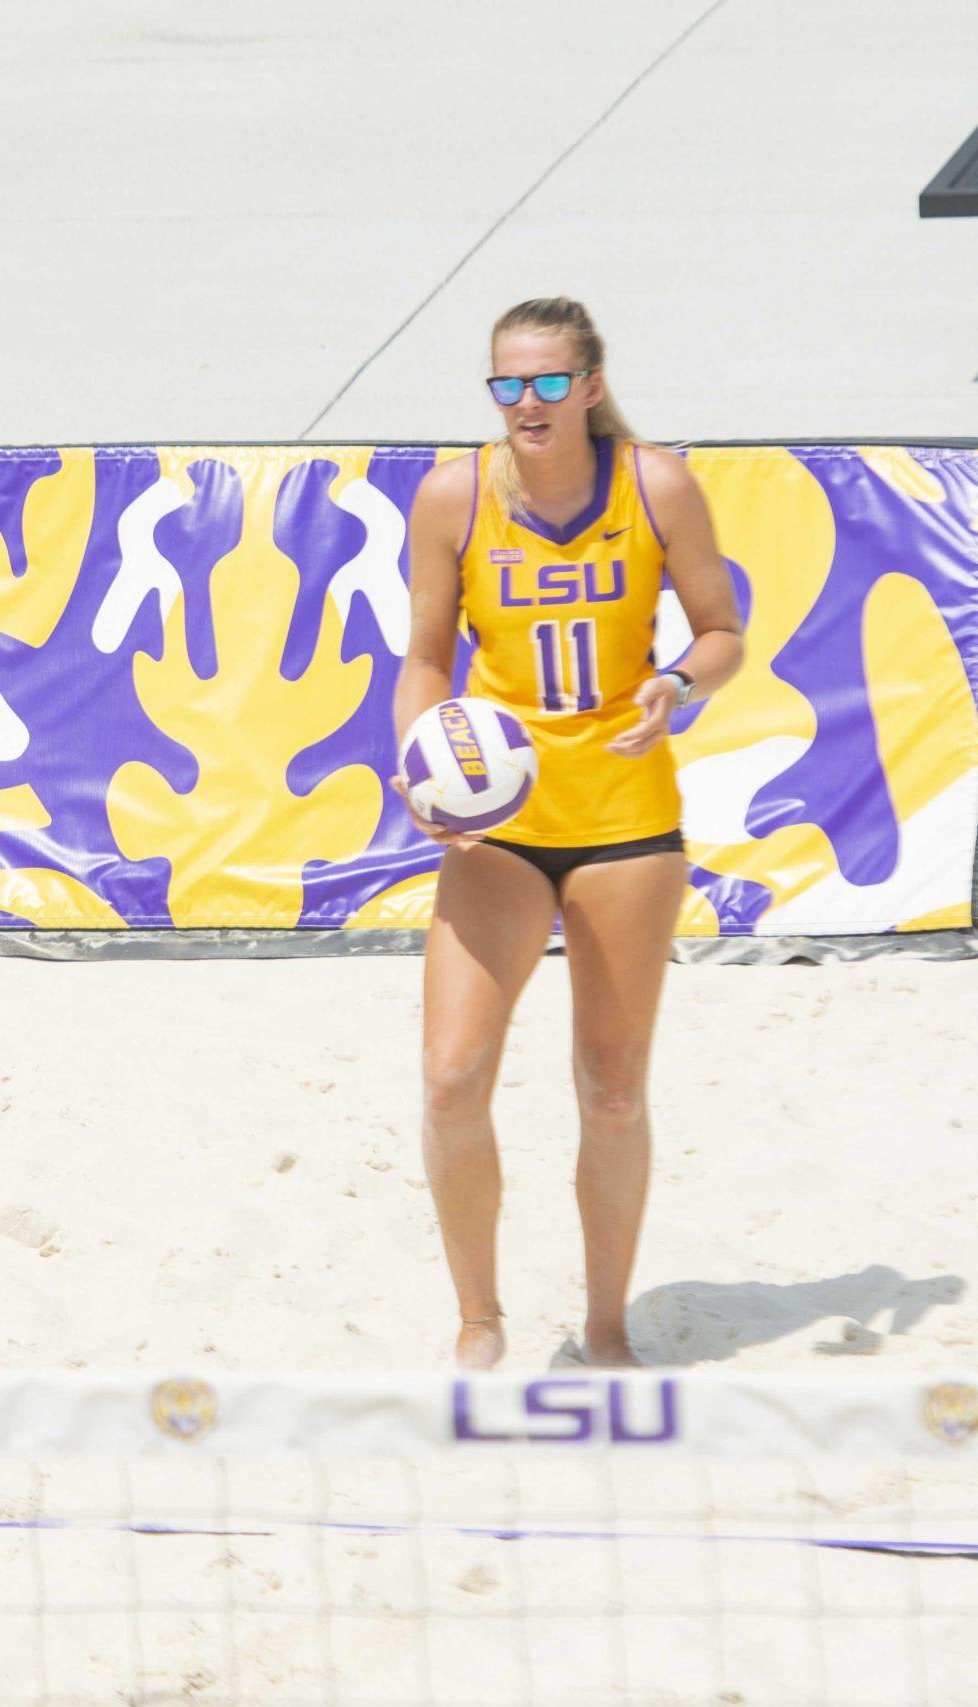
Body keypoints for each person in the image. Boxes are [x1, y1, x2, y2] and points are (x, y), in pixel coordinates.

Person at [395, 299, 744, 1371]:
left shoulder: (655, 485)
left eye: (548, 382)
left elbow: (722, 630)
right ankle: (478, 1319)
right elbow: (423, 658)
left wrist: (677, 686)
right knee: (452, 1077)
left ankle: (603, 1327)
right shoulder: (455, 493)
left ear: (591, 384)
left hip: (626, 822)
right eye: (507, 384)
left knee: (612, 1086)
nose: (527, 403)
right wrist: (418, 761)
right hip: (497, 828)